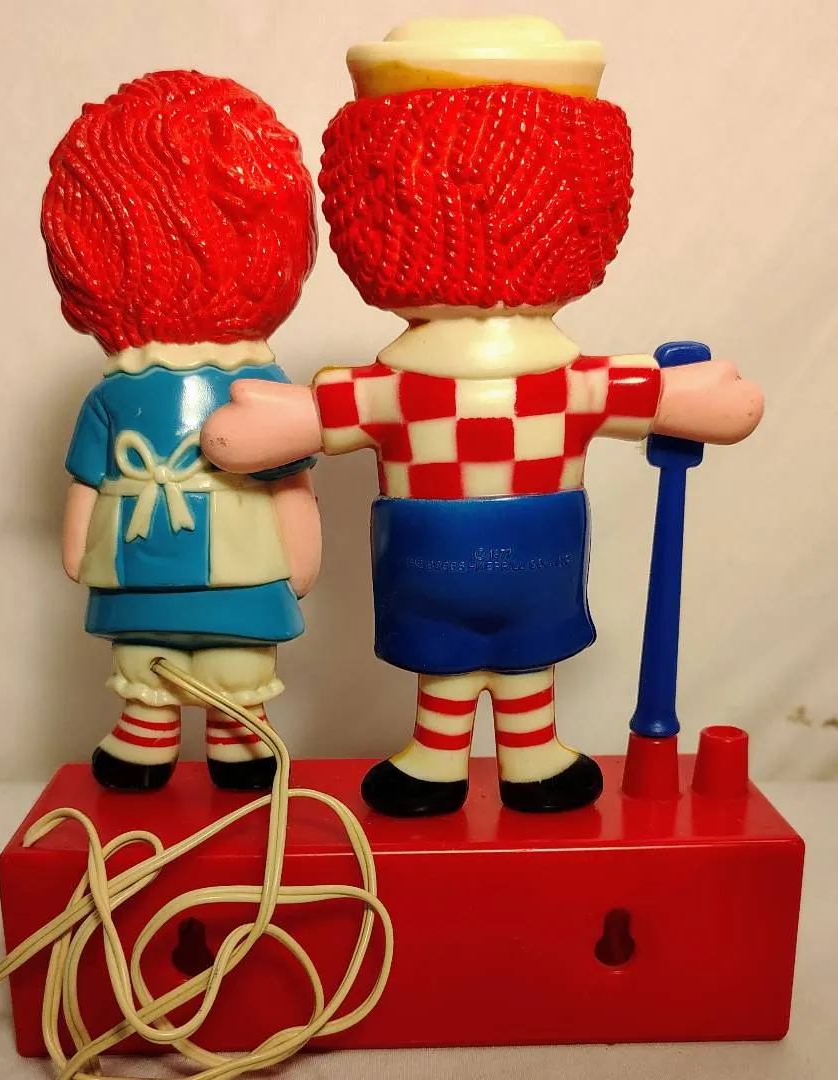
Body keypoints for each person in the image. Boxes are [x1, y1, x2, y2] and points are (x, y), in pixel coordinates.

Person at [202, 18, 764, 816]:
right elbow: (327, 414)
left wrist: (684, 398)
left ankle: (525, 753)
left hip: (526, 554)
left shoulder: (535, 379)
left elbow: (636, 393)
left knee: (524, 653)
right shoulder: (434, 385)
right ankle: (445, 755)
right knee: (449, 657)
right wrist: (282, 423)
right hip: (442, 557)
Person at [46, 70, 320, 792]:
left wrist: (79, 546)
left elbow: (288, 474)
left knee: (233, 657)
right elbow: (88, 477)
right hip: (155, 556)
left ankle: (236, 734)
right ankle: (150, 733)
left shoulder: (254, 382)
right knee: (146, 659)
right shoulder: (118, 392)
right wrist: (301, 551)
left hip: (216, 554)